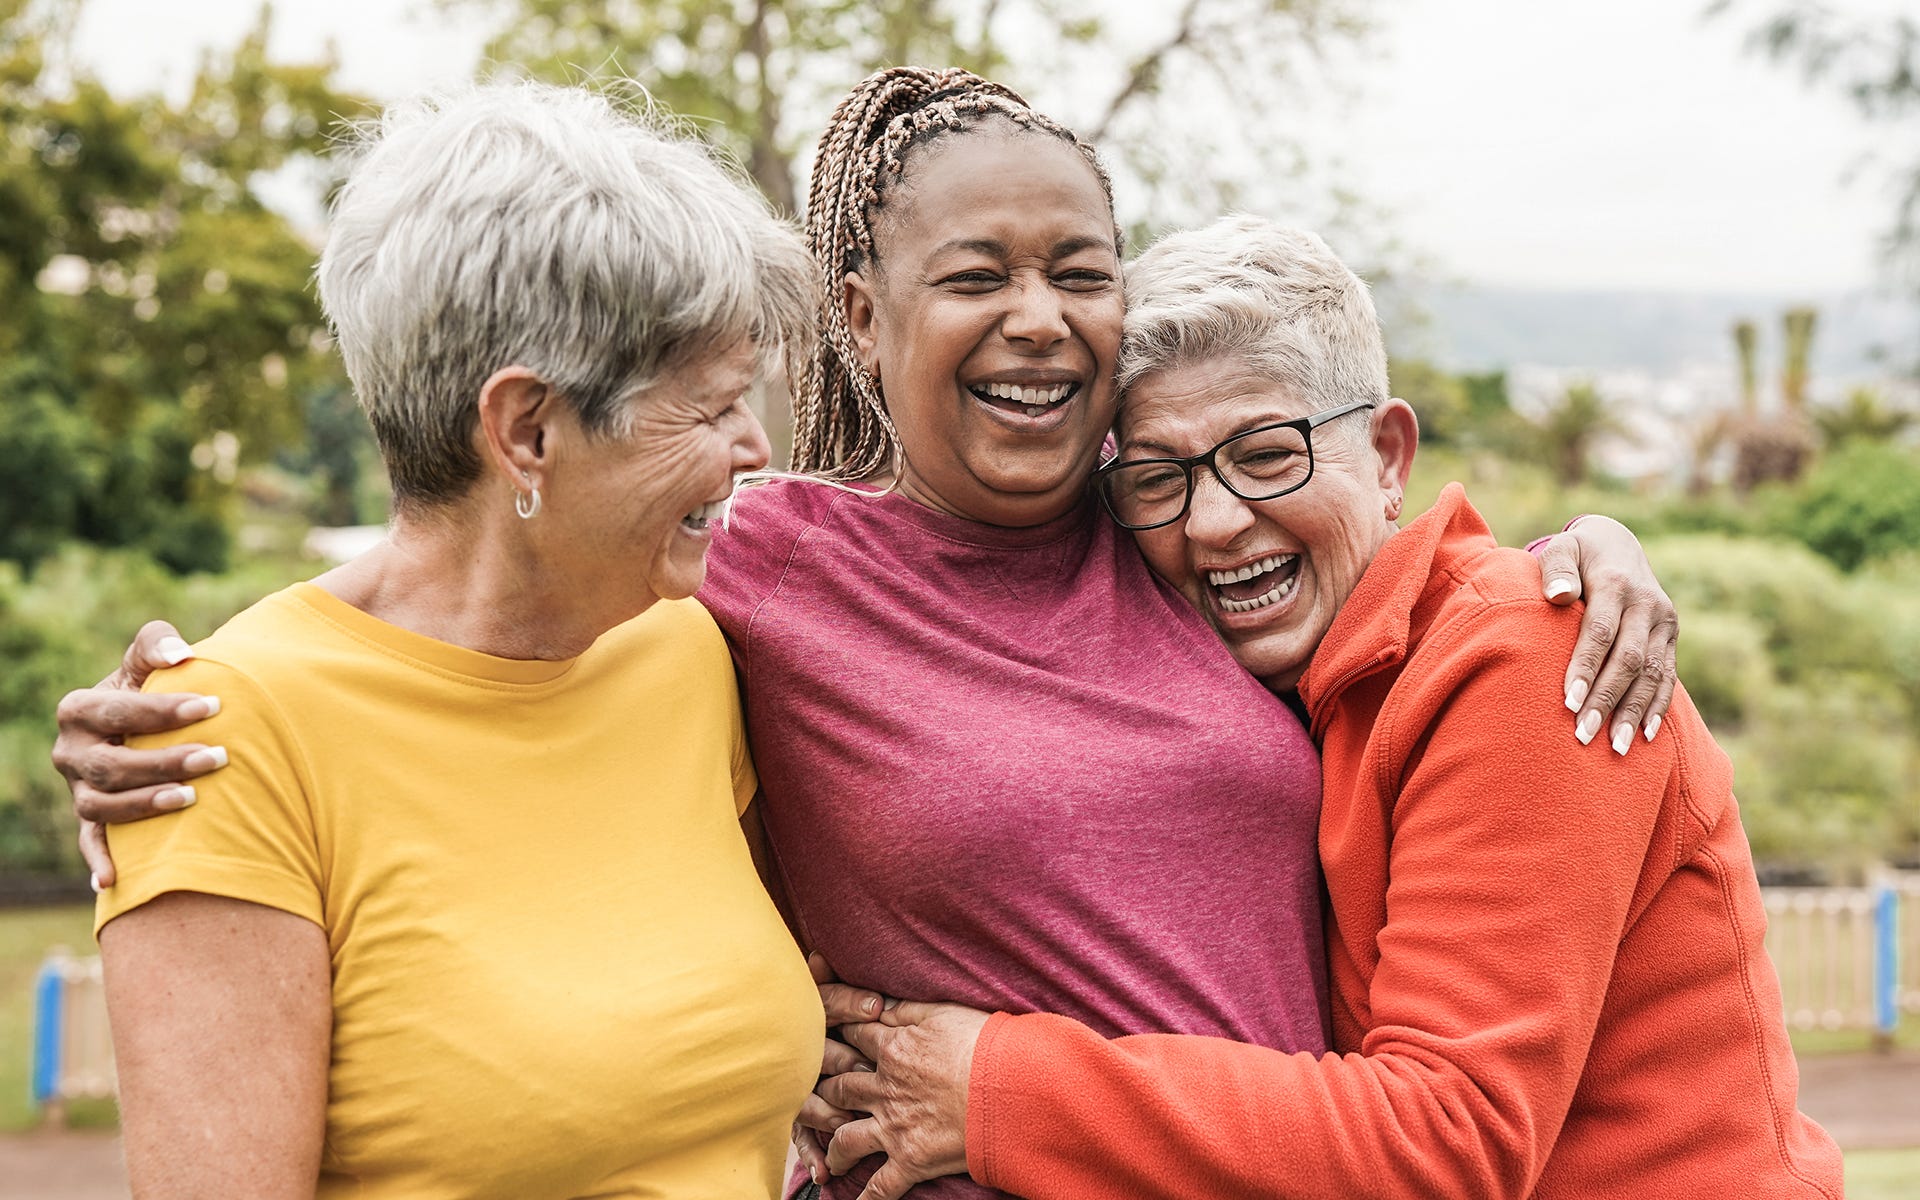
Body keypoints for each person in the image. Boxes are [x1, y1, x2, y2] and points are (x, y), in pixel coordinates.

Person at [55, 70, 1682, 1200]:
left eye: (1081, 273)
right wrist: (178, 712)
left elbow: (1366, 567)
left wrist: (1577, 559)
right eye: (975, 274)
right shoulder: (744, 587)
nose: (1040, 319)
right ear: (858, 317)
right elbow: (451, 620)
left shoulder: (1174, 528)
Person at [800, 216, 1843, 1199]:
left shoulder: (1527, 659)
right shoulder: (1285, 679)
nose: (1214, 521)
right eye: (1160, 478)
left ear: (1388, 456)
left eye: (1266, 456)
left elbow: (1448, 1138)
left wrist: (994, 1087)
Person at [84, 83, 827, 1199]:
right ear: (526, 430)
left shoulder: (688, 648)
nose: (754, 448)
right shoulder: (220, 739)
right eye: (710, 408)